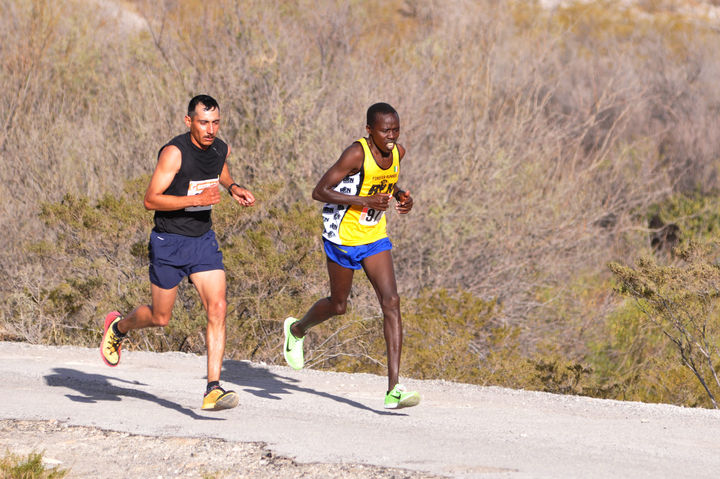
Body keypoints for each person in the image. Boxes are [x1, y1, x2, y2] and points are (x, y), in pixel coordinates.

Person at [100, 94, 255, 411]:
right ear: (189, 122)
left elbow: (219, 169)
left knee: (218, 306)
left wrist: (233, 186)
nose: (210, 129)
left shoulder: (219, 147)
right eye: (203, 123)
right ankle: (119, 328)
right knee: (161, 317)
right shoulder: (174, 153)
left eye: (215, 123)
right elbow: (151, 200)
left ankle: (213, 389)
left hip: (202, 240)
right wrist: (193, 201)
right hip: (169, 242)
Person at [283, 102, 420, 409]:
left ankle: (394, 388)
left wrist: (400, 196)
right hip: (342, 236)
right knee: (339, 305)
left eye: (396, 129)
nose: (392, 136)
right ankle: (297, 329)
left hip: (373, 238)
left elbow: (383, 180)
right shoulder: (355, 153)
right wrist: (363, 200)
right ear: (369, 130)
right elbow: (320, 191)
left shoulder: (398, 153)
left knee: (392, 302)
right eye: (385, 130)